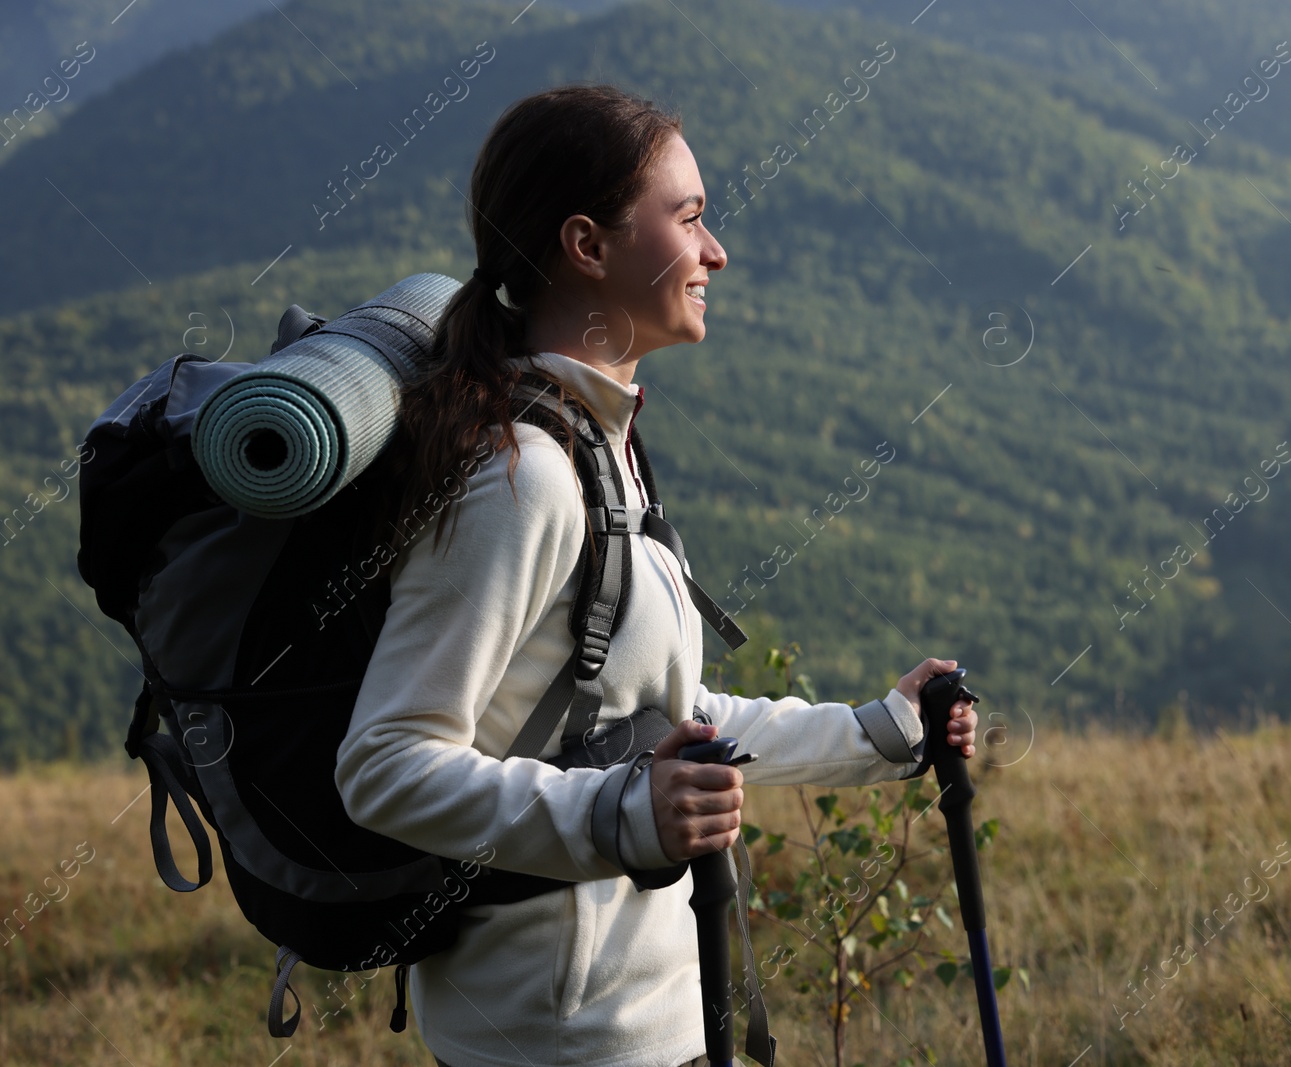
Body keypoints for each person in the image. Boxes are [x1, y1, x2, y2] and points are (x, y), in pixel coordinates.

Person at [334, 83, 978, 1067]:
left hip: (647, 1023)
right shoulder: (524, 481)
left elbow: (654, 716)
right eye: (687, 218)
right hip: (561, 1042)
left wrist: (878, 731)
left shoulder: (600, 448)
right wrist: (622, 813)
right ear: (586, 247)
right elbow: (385, 765)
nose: (716, 251)